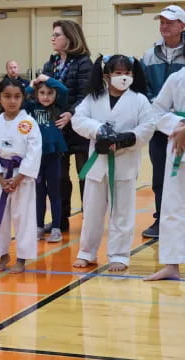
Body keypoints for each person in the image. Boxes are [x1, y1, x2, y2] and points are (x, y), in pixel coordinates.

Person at [71, 55, 155, 272]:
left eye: (127, 73)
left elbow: (149, 125)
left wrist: (128, 138)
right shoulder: (94, 97)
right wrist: (98, 130)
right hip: (97, 163)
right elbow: (78, 119)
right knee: (92, 211)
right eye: (118, 73)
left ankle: (119, 255)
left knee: (122, 212)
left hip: (125, 163)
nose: (123, 77)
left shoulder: (139, 100)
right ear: (106, 75)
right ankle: (87, 252)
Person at [0, 77, 42, 273]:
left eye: (17, 96)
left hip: (22, 178)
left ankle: (22, 258)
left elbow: (34, 154)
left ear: (23, 98)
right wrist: (0, 179)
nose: (12, 101)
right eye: (7, 96)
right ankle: (2, 254)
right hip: (1, 178)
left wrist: (18, 179)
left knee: (23, 216)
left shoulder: (29, 123)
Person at [42, 20, 93, 232]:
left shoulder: (84, 63)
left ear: (70, 38)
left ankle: (90, 220)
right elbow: (43, 95)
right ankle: (60, 220)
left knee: (84, 176)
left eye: (57, 35)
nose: (52, 38)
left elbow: (86, 95)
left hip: (78, 127)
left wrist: (71, 113)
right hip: (57, 128)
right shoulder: (50, 64)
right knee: (59, 176)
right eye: (52, 34)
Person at [141, 5, 185, 239]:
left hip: (184, 126)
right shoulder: (148, 56)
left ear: (182, 26)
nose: (164, 25)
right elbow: (143, 88)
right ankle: (161, 219)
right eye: (162, 21)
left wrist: (179, 122)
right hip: (158, 126)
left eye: (170, 21)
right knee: (160, 175)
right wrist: (161, 118)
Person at [144, 67, 185, 281]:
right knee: (172, 205)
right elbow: (156, 111)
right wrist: (177, 124)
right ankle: (171, 264)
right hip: (178, 145)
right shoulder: (177, 77)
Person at [24, 74, 68, 243]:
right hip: (36, 156)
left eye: (50, 93)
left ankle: (56, 228)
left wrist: (48, 79)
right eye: (42, 93)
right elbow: (22, 98)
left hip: (54, 155)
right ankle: (39, 227)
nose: (46, 97)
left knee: (55, 192)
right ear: (36, 94)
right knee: (39, 192)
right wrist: (32, 84)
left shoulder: (58, 107)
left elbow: (63, 90)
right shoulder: (31, 107)